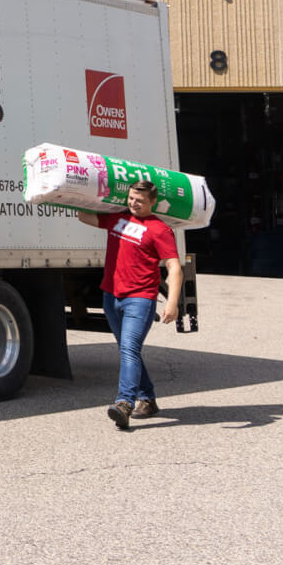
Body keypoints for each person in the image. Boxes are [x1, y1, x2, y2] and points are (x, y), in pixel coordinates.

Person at [78, 179, 183, 429]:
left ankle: (125, 403)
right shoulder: (118, 218)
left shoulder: (160, 229)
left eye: (140, 200)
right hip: (111, 295)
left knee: (128, 348)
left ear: (152, 202)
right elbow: (84, 217)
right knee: (128, 350)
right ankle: (147, 398)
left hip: (141, 298)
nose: (134, 203)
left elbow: (174, 266)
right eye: (132, 198)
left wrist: (172, 302)